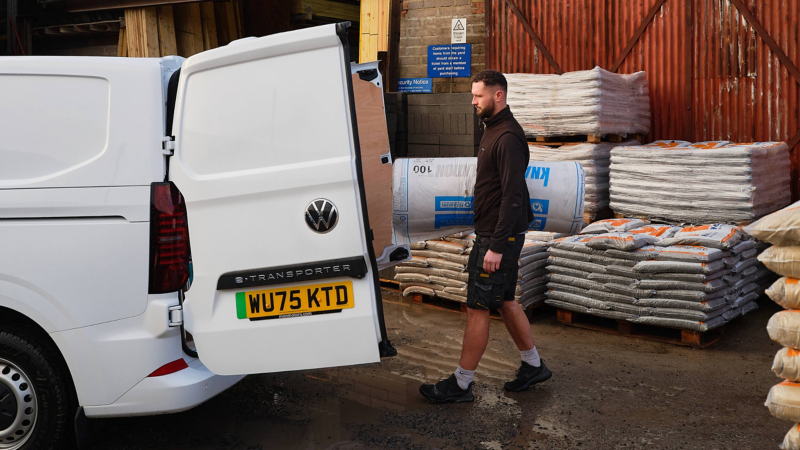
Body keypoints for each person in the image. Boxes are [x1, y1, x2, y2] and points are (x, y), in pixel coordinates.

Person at [419, 70, 552, 403]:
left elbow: (513, 196)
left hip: (498, 238)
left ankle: (461, 384)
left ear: (499, 96)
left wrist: (495, 246)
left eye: (478, 95)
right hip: (499, 234)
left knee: (477, 307)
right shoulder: (494, 130)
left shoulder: (506, 136)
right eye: (473, 94)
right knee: (505, 301)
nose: (473, 100)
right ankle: (533, 365)